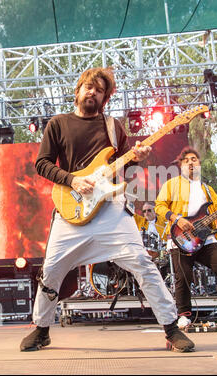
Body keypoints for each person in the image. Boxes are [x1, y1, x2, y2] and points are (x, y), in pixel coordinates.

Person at [20, 67, 194, 353]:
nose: (93, 92)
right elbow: (42, 164)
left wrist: (137, 159)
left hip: (111, 209)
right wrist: (73, 179)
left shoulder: (114, 127)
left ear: (105, 98)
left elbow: (125, 170)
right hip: (71, 207)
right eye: (88, 87)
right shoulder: (58, 124)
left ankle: (172, 329)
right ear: (77, 91)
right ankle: (41, 330)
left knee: (142, 263)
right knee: (50, 270)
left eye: (99, 90)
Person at [155, 146, 217, 329]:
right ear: (181, 166)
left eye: (194, 159)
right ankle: (183, 315)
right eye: (187, 160)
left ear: (199, 164)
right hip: (181, 238)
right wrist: (178, 219)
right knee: (182, 278)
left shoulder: (206, 189)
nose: (191, 162)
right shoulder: (172, 185)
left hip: (206, 239)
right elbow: (159, 207)